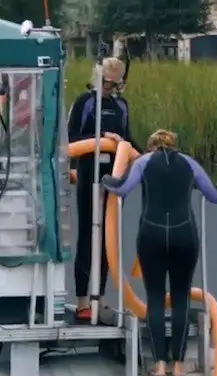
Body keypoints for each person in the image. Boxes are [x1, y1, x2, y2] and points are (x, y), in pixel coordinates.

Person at [101, 129, 217, 376]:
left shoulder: (144, 162)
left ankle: (159, 364)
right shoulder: (189, 163)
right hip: (185, 236)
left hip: (151, 236)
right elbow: (214, 196)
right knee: (180, 297)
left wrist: (105, 180)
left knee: (155, 298)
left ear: (151, 146)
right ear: (173, 145)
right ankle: (178, 365)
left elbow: (122, 189)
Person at [68, 57, 141, 321]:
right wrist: (101, 139)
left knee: (109, 239)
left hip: (115, 174)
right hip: (89, 173)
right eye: (107, 83)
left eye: (114, 84)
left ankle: (100, 297)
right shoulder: (85, 102)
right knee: (88, 235)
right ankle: (82, 301)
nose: (110, 88)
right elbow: (71, 138)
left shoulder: (121, 105)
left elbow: (129, 137)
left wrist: (143, 158)